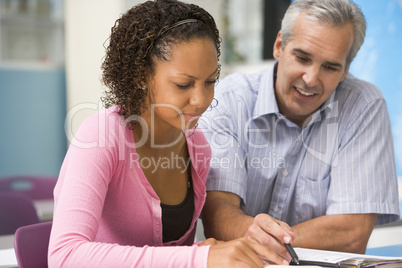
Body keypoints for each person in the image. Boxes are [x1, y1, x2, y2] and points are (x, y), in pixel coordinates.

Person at [48, 0, 292, 267]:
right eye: (183, 84)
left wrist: (216, 250)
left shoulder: (197, 146)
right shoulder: (102, 136)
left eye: (210, 81)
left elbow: (168, 254)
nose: (200, 100)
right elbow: (65, 255)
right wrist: (198, 257)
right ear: (142, 75)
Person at [199, 0, 400, 255]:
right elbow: (218, 213)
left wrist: (258, 239)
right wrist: (276, 241)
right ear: (279, 46)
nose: (311, 79)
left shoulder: (364, 106)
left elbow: (351, 233)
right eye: (302, 58)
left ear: (346, 69)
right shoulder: (230, 99)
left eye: (330, 67)